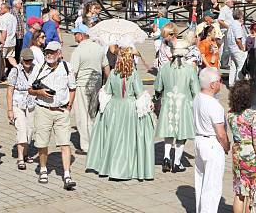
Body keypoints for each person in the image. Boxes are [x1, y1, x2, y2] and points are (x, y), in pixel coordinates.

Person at [86, 44, 155, 180]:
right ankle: (125, 168)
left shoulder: (113, 73)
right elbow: (139, 94)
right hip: (129, 108)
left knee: (114, 137)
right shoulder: (133, 74)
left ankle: (110, 166)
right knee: (127, 139)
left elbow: (106, 92)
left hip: (114, 107)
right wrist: (149, 104)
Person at [28, 41, 76, 189]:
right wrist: (39, 92)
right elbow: (29, 89)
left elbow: (72, 88)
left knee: (64, 143)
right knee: (42, 143)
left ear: (59, 53)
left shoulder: (67, 67)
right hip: (43, 109)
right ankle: (43, 169)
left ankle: (67, 174)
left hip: (62, 111)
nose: (49, 54)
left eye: (53, 52)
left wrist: (69, 106)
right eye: (47, 51)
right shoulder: (39, 68)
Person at [154, 40, 199, 173]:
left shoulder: (165, 68)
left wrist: (157, 98)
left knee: (169, 131)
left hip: (168, 101)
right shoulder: (189, 69)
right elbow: (195, 90)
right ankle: (177, 162)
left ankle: (166, 157)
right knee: (181, 133)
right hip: (184, 102)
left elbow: (157, 87)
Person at [227, 81, 256, 213]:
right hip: (250, 156)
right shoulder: (254, 115)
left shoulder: (230, 114)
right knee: (252, 192)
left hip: (237, 153)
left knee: (239, 191)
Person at [193, 67, 229, 213]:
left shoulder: (198, 97)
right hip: (212, 144)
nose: (221, 84)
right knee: (212, 187)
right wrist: (226, 147)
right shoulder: (214, 104)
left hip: (199, 140)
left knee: (201, 182)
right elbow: (221, 133)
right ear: (213, 84)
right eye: (220, 81)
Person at [70, 24, 109, 154]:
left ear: (81, 35)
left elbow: (73, 72)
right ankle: (96, 142)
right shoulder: (99, 48)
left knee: (82, 115)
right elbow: (106, 67)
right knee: (93, 113)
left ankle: (86, 146)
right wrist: (107, 84)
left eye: (76, 33)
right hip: (96, 83)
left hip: (82, 84)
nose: (74, 35)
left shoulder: (78, 50)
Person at [6, 48, 36, 170]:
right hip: (18, 103)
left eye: (30, 60)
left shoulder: (36, 69)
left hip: (31, 103)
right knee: (21, 129)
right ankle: (20, 157)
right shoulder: (15, 71)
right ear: (22, 59)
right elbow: (9, 91)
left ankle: (25, 153)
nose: (28, 62)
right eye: (26, 60)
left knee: (30, 129)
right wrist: (9, 110)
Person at [226, 9, 247, 88]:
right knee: (240, 66)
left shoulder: (231, 24)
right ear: (240, 16)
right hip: (237, 48)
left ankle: (231, 84)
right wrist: (242, 48)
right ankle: (238, 85)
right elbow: (238, 39)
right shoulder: (237, 25)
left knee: (233, 66)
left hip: (231, 48)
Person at [0, 3, 18, 72]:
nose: (0, 10)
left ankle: (3, 74)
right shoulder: (13, 17)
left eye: (1, 8)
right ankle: (18, 69)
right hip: (12, 41)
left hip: (5, 41)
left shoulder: (2, 18)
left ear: (6, 9)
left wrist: (2, 42)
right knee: (11, 57)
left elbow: (4, 31)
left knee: (2, 58)